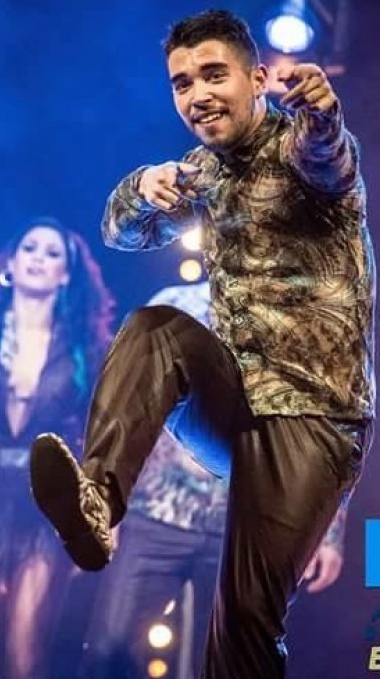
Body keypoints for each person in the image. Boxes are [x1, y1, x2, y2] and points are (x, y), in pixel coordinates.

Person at [29, 9, 374, 679]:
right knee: (154, 329)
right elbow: (120, 233)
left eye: (214, 75)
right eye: (182, 84)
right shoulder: (203, 170)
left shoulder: (300, 149)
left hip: (314, 420)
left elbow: (331, 162)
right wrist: (141, 188)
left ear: (258, 79)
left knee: (243, 619)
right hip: (237, 410)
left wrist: (325, 116)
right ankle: (97, 504)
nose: (198, 95)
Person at [79, 282, 347, 679]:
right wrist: (108, 499)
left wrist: (329, 530)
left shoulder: (302, 323)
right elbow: (131, 408)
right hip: (160, 514)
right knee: (110, 649)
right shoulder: (176, 305)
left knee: (224, 663)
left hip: (244, 523)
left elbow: (329, 423)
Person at [0, 219, 114, 679]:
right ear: (12, 264)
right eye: (30, 248)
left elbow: (103, 434)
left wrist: (100, 515)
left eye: (53, 253)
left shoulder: (88, 351)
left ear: (66, 274)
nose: (39, 258)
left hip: (48, 504)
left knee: (27, 651)